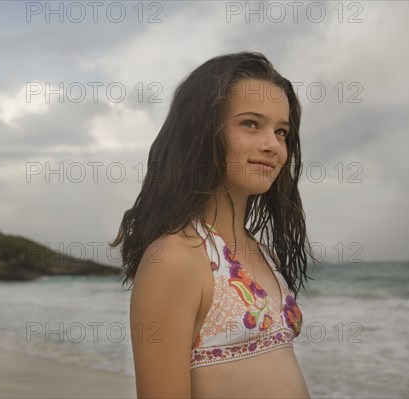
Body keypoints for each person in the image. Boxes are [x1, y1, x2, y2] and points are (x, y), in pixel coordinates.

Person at [110, 52, 315, 398]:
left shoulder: (264, 254)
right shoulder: (174, 257)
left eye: (281, 131)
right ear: (202, 130)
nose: (272, 145)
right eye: (251, 123)